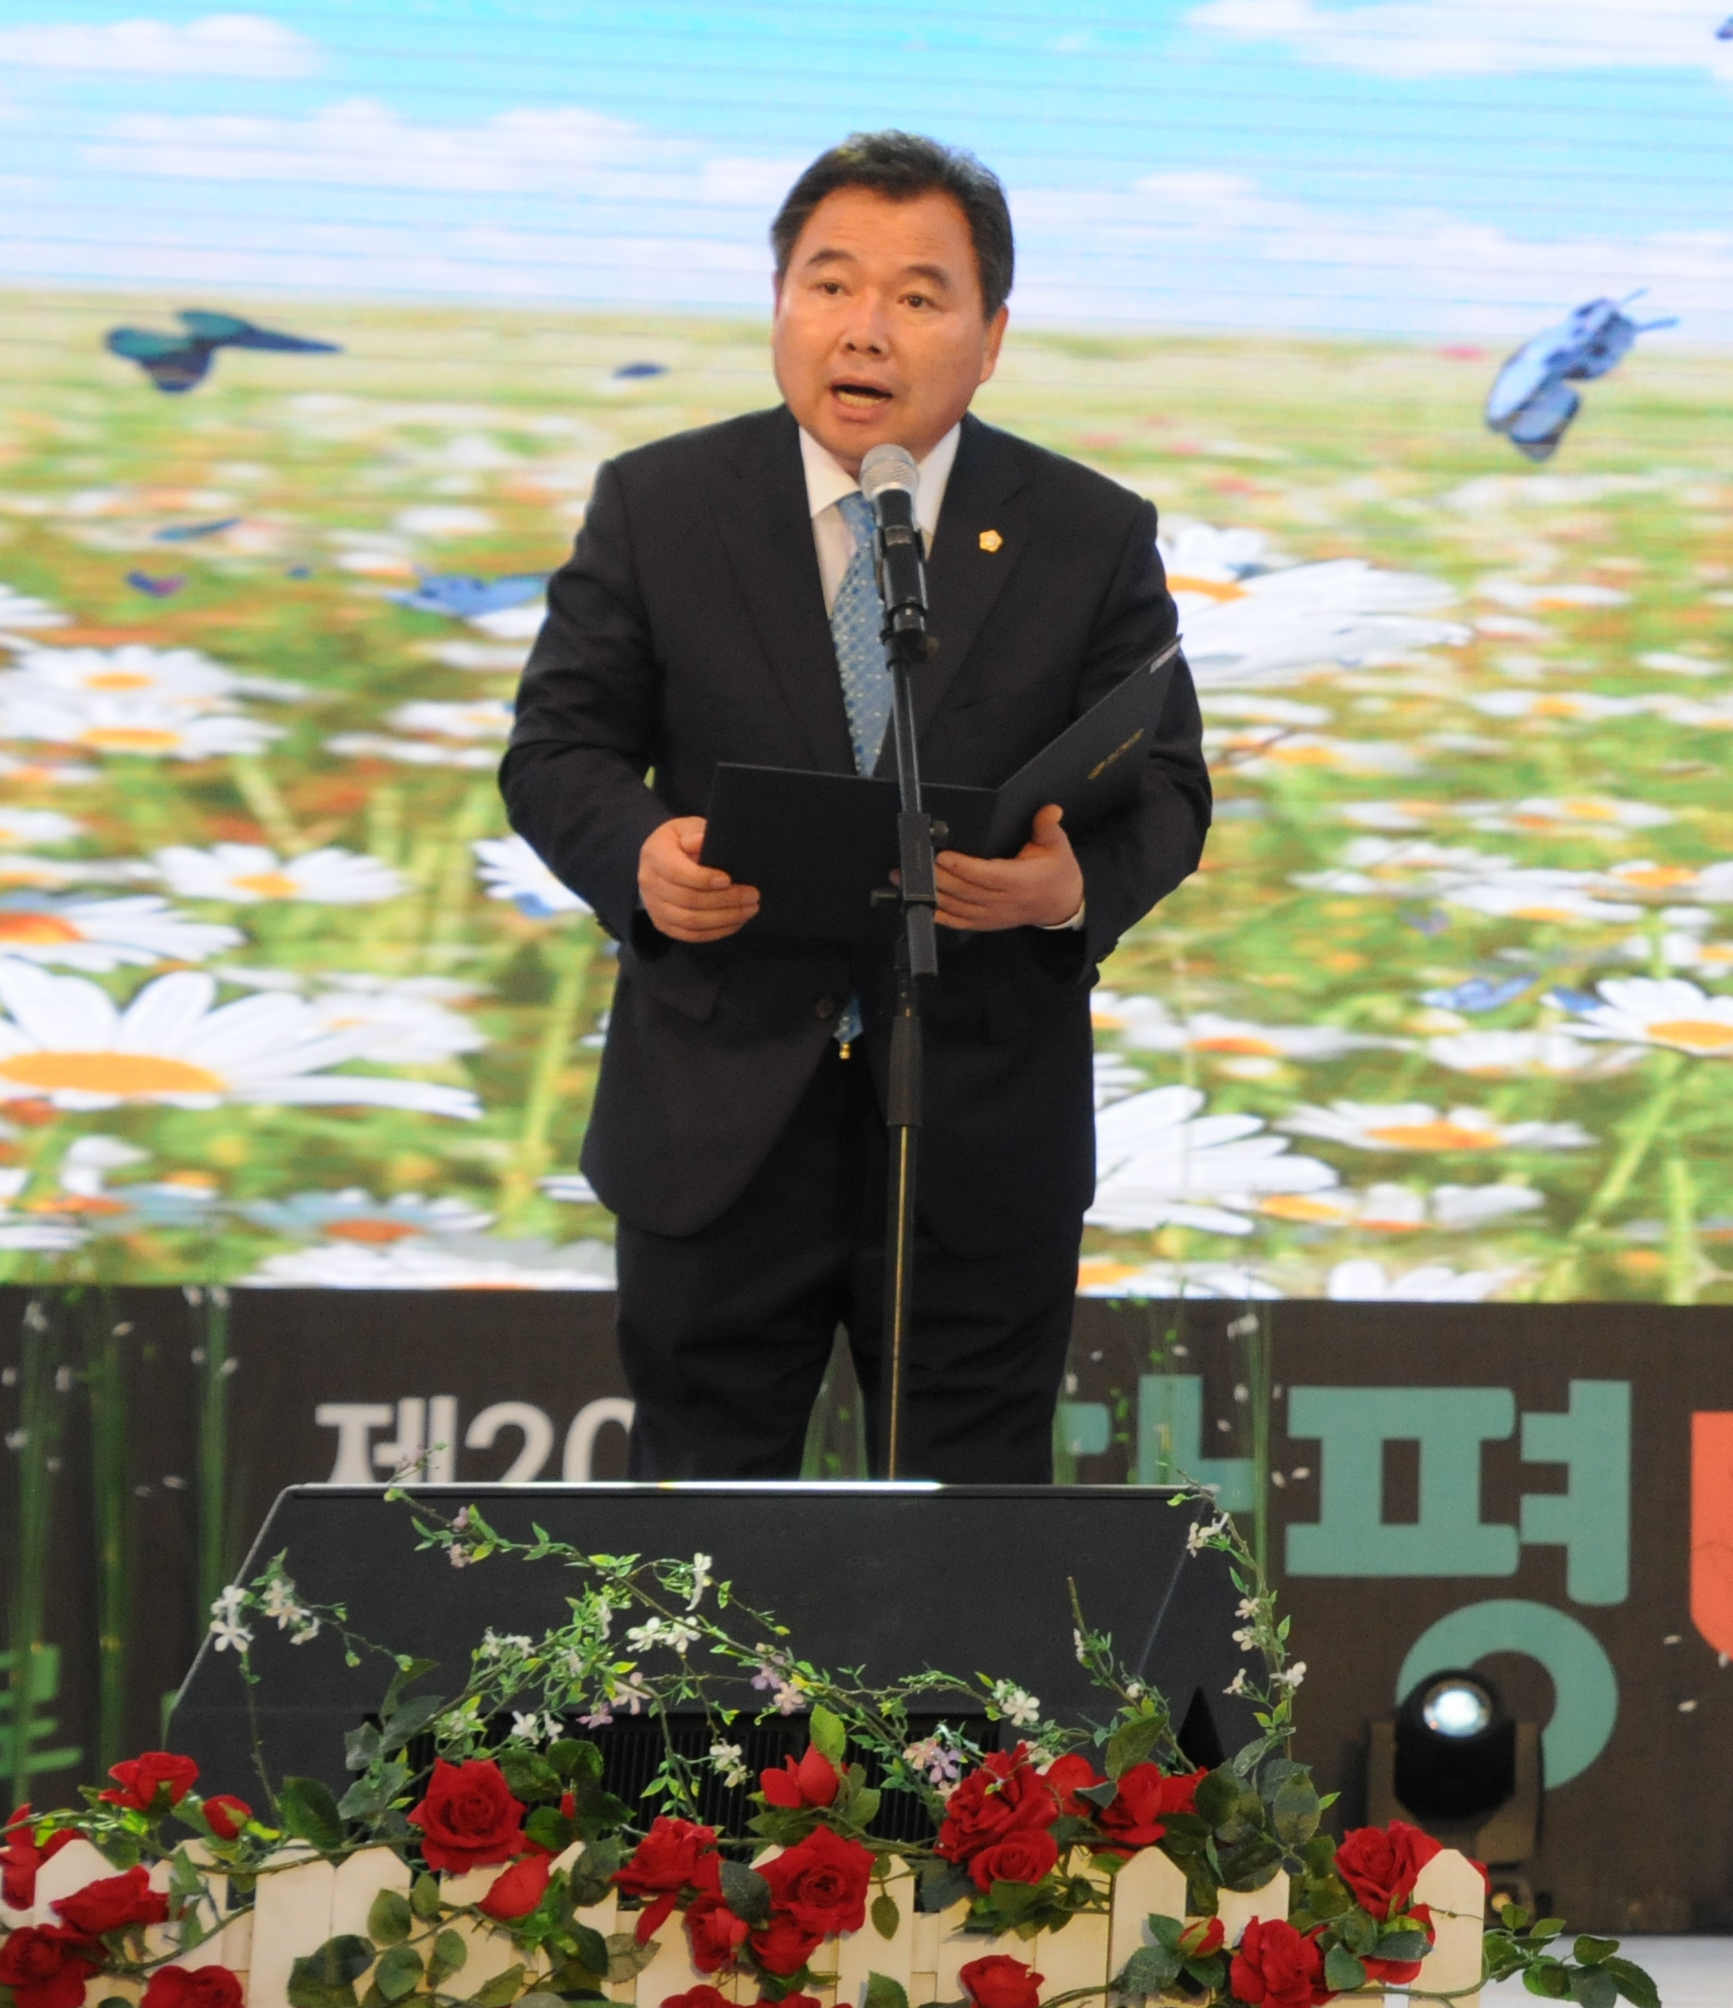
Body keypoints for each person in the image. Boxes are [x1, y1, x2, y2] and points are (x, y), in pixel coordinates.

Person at [501, 131, 1208, 1480]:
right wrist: (641, 855)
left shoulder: (1088, 532)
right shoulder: (660, 505)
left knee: (968, 1550)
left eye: (918, 296)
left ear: (991, 338)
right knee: (697, 1551)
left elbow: (1166, 786)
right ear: (779, 304)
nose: (863, 328)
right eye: (828, 285)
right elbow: (557, 748)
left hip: (979, 1125)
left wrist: (1069, 890)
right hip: (715, 1120)